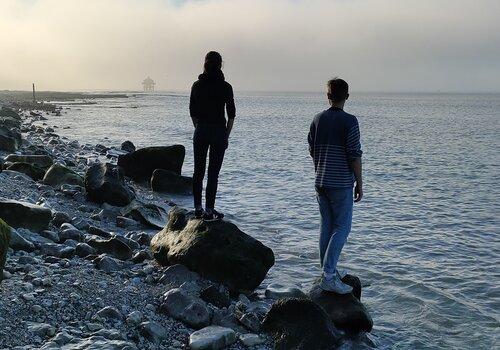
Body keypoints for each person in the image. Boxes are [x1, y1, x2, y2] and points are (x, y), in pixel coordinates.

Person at [307, 78, 363, 293]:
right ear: (347, 96)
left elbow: (312, 149)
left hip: (320, 180)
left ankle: (326, 272)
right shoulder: (350, 122)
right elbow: (354, 154)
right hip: (340, 183)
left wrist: (320, 169)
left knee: (327, 227)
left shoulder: (317, 119)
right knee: (342, 227)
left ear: (328, 96)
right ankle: (329, 275)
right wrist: (359, 182)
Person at [189, 51, 235, 221]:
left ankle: (197, 208)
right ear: (221, 65)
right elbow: (231, 115)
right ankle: (209, 210)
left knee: (198, 171)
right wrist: (226, 135)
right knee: (213, 173)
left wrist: (199, 127)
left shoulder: (197, 85)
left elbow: (192, 111)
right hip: (218, 131)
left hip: (201, 130)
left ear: (205, 64)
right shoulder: (225, 87)